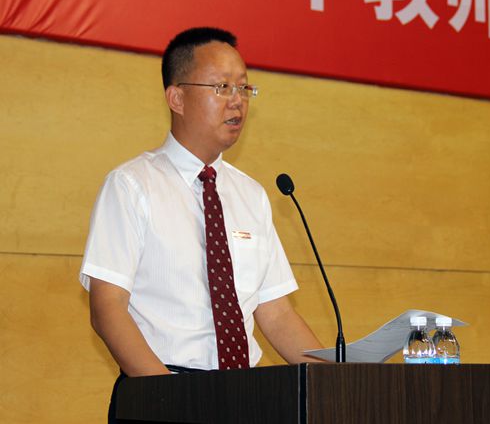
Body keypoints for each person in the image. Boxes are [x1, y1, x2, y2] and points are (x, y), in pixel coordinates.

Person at [79, 27, 323, 423]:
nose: (237, 101)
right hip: (160, 394)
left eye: (244, 88)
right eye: (222, 87)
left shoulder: (251, 194)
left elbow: (277, 314)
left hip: (246, 397)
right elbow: (107, 309)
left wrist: (335, 382)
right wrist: (172, 398)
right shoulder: (131, 186)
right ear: (176, 98)